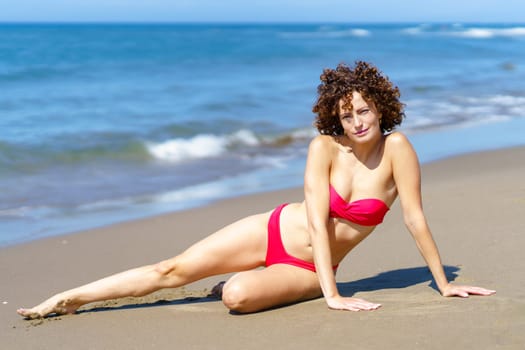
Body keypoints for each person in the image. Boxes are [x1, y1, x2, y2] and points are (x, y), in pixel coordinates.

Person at [17, 61, 495, 319]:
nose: (357, 122)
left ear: (380, 106)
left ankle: (238, 279)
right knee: (172, 269)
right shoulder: (324, 147)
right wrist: (335, 296)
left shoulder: (399, 149)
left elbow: (414, 217)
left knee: (236, 298)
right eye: (346, 115)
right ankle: (69, 297)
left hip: (310, 267)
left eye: (364, 110)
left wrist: (444, 283)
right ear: (335, 118)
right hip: (271, 230)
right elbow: (313, 217)